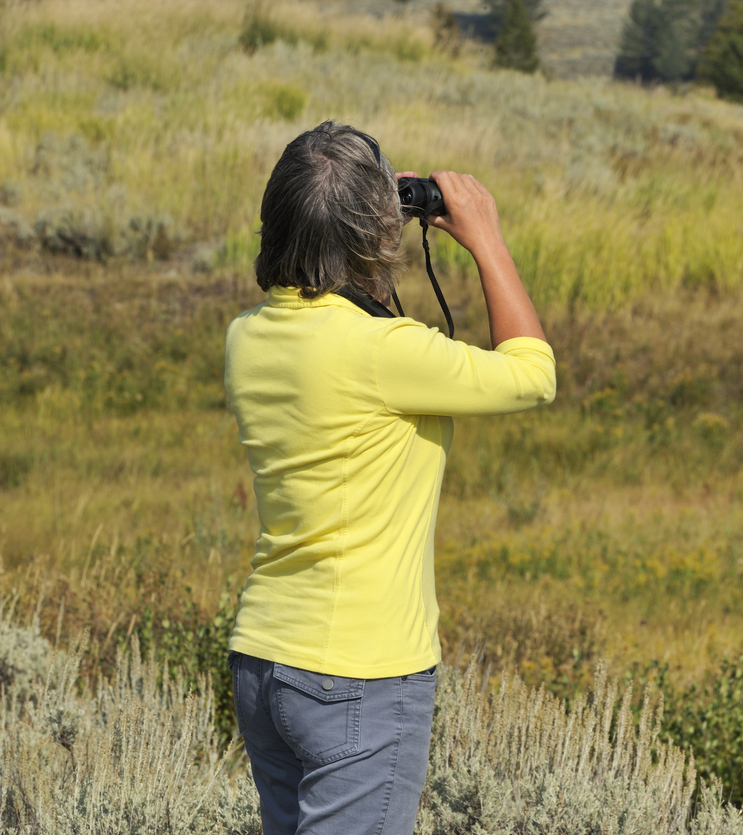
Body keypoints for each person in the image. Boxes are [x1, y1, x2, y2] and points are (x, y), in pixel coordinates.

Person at [223, 121, 556, 835]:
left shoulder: (246, 334)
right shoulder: (383, 352)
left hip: (264, 659)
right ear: (378, 231)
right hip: (361, 672)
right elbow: (533, 375)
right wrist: (485, 237)